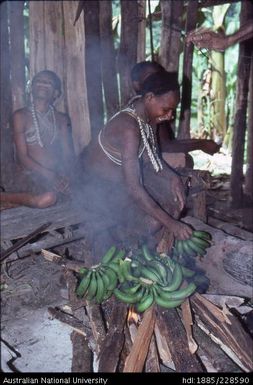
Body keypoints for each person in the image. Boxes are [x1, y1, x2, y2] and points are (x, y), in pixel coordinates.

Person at [78, 71, 193, 258]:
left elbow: (151, 157)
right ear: (149, 98)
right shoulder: (129, 128)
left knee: (174, 200)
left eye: (173, 110)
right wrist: (172, 224)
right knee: (155, 220)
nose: (170, 116)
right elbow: (133, 187)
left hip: (121, 182)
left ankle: (152, 251)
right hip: (95, 188)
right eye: (166, 109)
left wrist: (173, 178)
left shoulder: (148, 119)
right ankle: (128, 251)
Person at [1, 70, 76, 209]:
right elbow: (22, 157)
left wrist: (66, 176)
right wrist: (50, 176)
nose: (43, 84)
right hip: (29, 176)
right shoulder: (20, 116)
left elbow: (67, 155)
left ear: (56, 93)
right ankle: (4, 197)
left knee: (87, 193)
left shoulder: (62, 119)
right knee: (48, 198)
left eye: (48, 82)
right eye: (39, 81)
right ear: (31, 88)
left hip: (56, 173)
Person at [130, 61, 221, 169]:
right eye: (152, 77)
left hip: (145, 159)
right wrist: (201, 144)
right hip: (137, 163)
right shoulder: (143, 110)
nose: (158, 80)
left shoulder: (155, 106)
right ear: (136, 85)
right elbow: (165, 146)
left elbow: (162, 143)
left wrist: (202, 143)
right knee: (185, 160)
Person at [185, 21, 253, 51]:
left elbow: (208, 36)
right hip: (224, 43)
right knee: (242, 35)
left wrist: (194, 38)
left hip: (224, 42)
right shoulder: (197, 41)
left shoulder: (199, 37)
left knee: (241, 34)